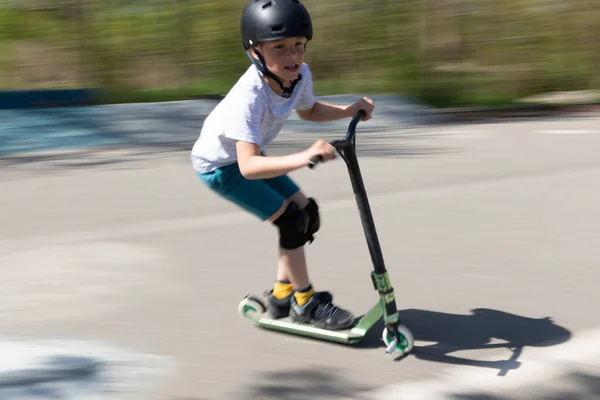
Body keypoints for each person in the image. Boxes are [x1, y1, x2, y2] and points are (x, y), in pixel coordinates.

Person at [190, 0, 374, 330]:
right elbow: (247, 168)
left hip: (247, 161)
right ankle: (304, 302)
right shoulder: (249, 97)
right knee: (291, 222)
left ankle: (280, 296)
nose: (292, 56)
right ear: (255, 51)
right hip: (222, 169)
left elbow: (309, 111)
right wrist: (304, 157)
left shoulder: (299, 75)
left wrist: (348, 109)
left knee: (307, 214)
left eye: (298, 45)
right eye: (279, 48)